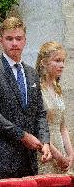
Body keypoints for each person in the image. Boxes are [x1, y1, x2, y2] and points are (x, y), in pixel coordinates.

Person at [0, 17, 52, 181]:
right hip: (1, 162)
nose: (14, 43)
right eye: (9, 39)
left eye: (18, 38)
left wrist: (45, 141)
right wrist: (22, 136)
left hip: (29, 162)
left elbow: (40, 112)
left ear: (25, 40)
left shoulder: (32, 73)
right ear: (1, 41)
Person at [35, 41, 74, 174]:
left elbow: (62, 126)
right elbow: (37, 127)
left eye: (63, 61)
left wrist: (70, 154)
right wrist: (58, 156)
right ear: (44, 62)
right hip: (46, 148)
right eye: (57, 60)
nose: (62, 65)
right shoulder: (38, 89)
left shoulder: (58, 89)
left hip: (60, 147)